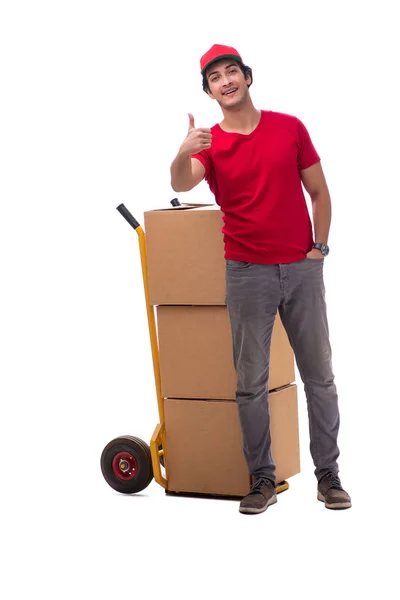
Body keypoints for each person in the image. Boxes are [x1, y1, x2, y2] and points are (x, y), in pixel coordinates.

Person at [170, 44, 351, 514]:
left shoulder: (289, 127)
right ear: (209, 91)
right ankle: (262, 480)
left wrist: (319, 250)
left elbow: (319, 192)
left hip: (301, 268)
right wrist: (181, 152)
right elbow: (181, 184)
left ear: (247, 78)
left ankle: (328, 476)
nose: (225, 81)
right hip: (247, 273)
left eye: (232, 72)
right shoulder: (210, 144)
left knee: (320, 377)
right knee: (251, 381)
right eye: (214, 78)